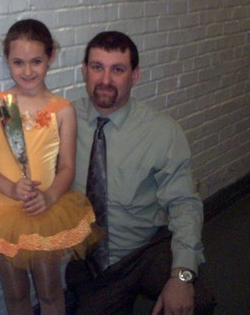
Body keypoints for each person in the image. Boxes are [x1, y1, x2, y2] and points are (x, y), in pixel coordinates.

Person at [0, 19, 99, 315]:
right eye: (18, 63)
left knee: (50, 292)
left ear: (51, 57)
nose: (27, 71)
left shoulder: (63, 110)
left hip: (43, 212)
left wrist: (50, 196)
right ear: (8, 61)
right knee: (15, 294)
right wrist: (11, 188)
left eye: (36, 61)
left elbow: (67, 167)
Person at [66, 31, 216, 315]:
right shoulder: (64, 121)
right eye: (97, 67)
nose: (105, 80)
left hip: (145, 247)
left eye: (118, 70)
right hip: (92, 259)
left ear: (134, 76)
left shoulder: (161, 131)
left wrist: (182, 275)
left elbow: (184, 204)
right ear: (85, 70)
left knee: (196, 301)